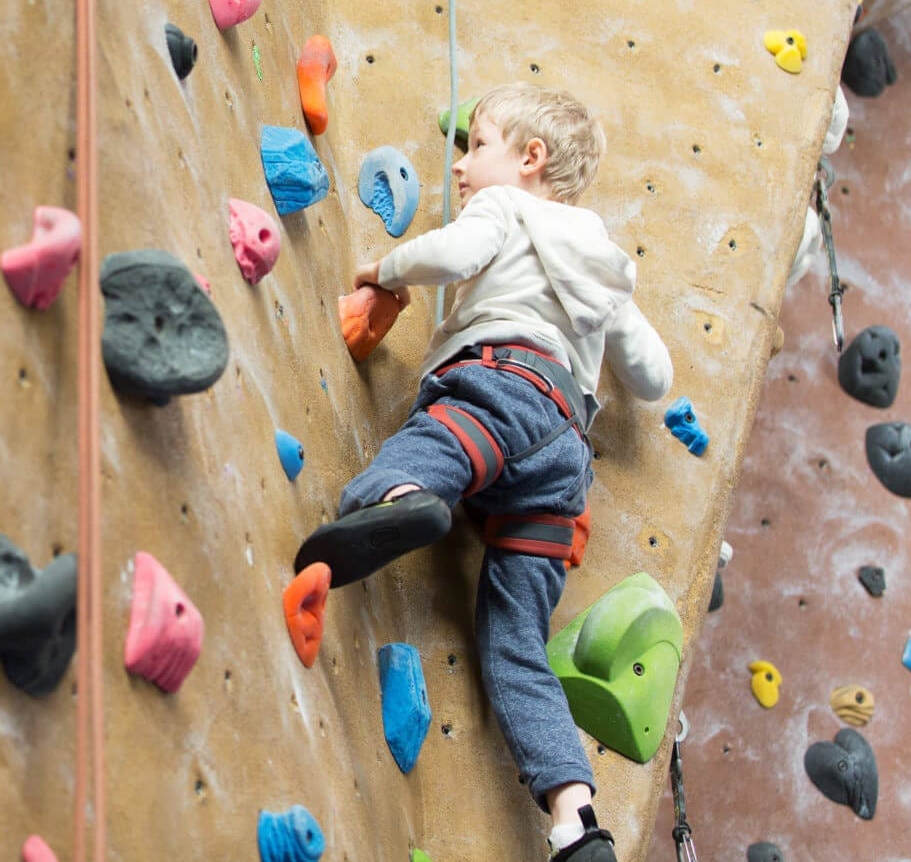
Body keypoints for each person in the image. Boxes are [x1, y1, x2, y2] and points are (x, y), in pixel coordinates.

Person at [288, 82, 673, 861]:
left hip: (504, 385)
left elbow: (455, 253)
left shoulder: (506, 210)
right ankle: (574, 817)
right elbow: (655, 375)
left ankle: (403, 498)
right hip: (565, 448)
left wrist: (385, 269)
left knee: (435, 445)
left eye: (478, 145)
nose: (461, 167)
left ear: (530, 160)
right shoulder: (604, 266)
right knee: (516, 642)